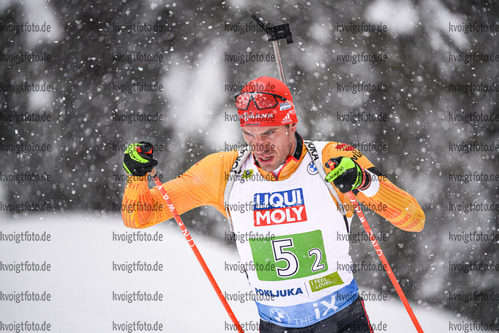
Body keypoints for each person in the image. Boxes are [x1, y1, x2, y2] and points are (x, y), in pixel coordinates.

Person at [121, 76, 425, 332]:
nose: (260, 146)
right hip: (274, 325)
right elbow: (139, 217)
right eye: (249, 135)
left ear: (291, 125)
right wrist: (136, 178)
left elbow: (413, 218)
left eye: (269, 133)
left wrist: (363, 181)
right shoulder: (226, 171)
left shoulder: (330, 158)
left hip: (341, 321)